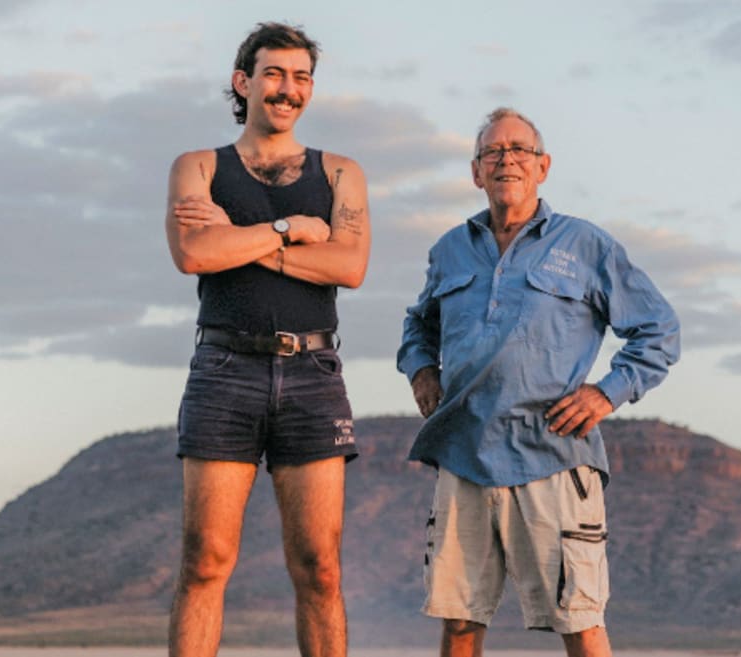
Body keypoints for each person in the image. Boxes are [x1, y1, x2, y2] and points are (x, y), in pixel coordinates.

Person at [397, 107, 680, 657]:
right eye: (493, 152)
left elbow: (659, 329)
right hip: (463, 455)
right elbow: (418, 323)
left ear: (543, 166)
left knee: (580, 620)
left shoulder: (586, 246)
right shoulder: (450, 249)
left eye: (520, 150)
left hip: (552, 454)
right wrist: (421, 368)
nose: (507, 160)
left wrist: (607, 392)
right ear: (476, 172)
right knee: (458, 623)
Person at [164, 22, 370, 657]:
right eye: (274, 74)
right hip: (224, 367)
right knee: (206, 563)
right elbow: (194, 254)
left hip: (313, 372)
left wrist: (244, 239)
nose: (288, 89)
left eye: (301, 76)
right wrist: (290, 228)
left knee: (320, 569)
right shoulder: (197, 166)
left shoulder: (340, 173)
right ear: (243, 82)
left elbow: (349, 268)